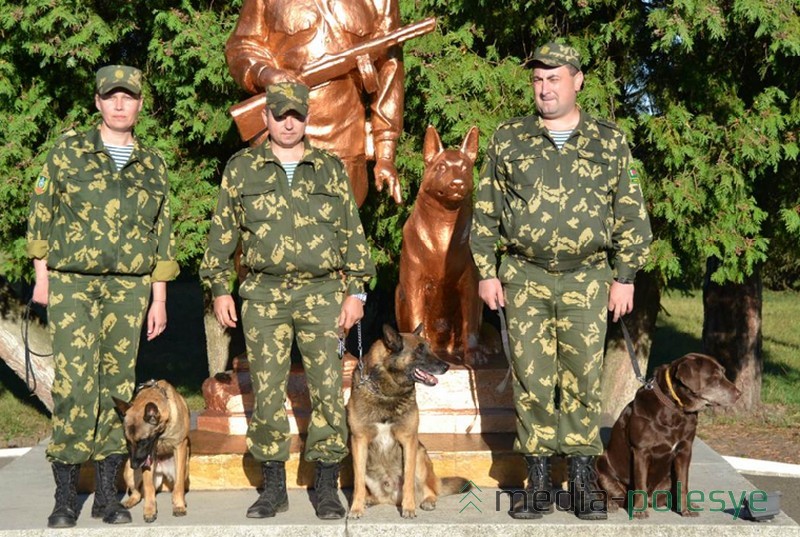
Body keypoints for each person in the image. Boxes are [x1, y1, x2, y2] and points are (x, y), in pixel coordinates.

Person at [471, 42, 652, 521]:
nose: (544, 88)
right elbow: (486, 210)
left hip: (589, 280)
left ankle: (581, 482)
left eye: (554, 78)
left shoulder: (609, 142)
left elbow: (630, 213)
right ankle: (537, 483)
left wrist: (626, 276)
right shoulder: (508, 139)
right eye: (537, 80)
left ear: (577, 81)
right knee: (531, 380)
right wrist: (487, 271)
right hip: (524, 279)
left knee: (582, 381)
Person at [200, 82, 375, 520]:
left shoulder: (329, 168)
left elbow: (353, 234)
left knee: (328, 392)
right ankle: (273, 486)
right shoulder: (242, 169)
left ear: (306, 116)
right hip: (263, 295)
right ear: (267, 118)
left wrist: (356, 292)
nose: (289, 122)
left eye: (296, 113)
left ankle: (327, 486)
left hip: (321, 294)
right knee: (268, 389)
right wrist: (221, 287)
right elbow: (222, 236)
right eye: (281, 114)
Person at [26, 65, 180, 528]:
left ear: (138, 105)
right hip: (73, 282)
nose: (119, 104)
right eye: (111, 97)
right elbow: (41, 212)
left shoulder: (152, 164)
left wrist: (160, 298)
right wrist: (42, 275)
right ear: (97, 102)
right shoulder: (67, 152)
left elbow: (163, 235)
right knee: (74, 385)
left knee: (118, 390)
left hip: (129, 288)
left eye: (128, 97)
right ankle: (66, 497)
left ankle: (108, 497)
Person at [225, 0, 404, 206]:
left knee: (336, 232)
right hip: (279, 136)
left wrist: (385, 154)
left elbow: (389, 72)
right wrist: (265, 74)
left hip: (344, 141)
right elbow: (242, 46)